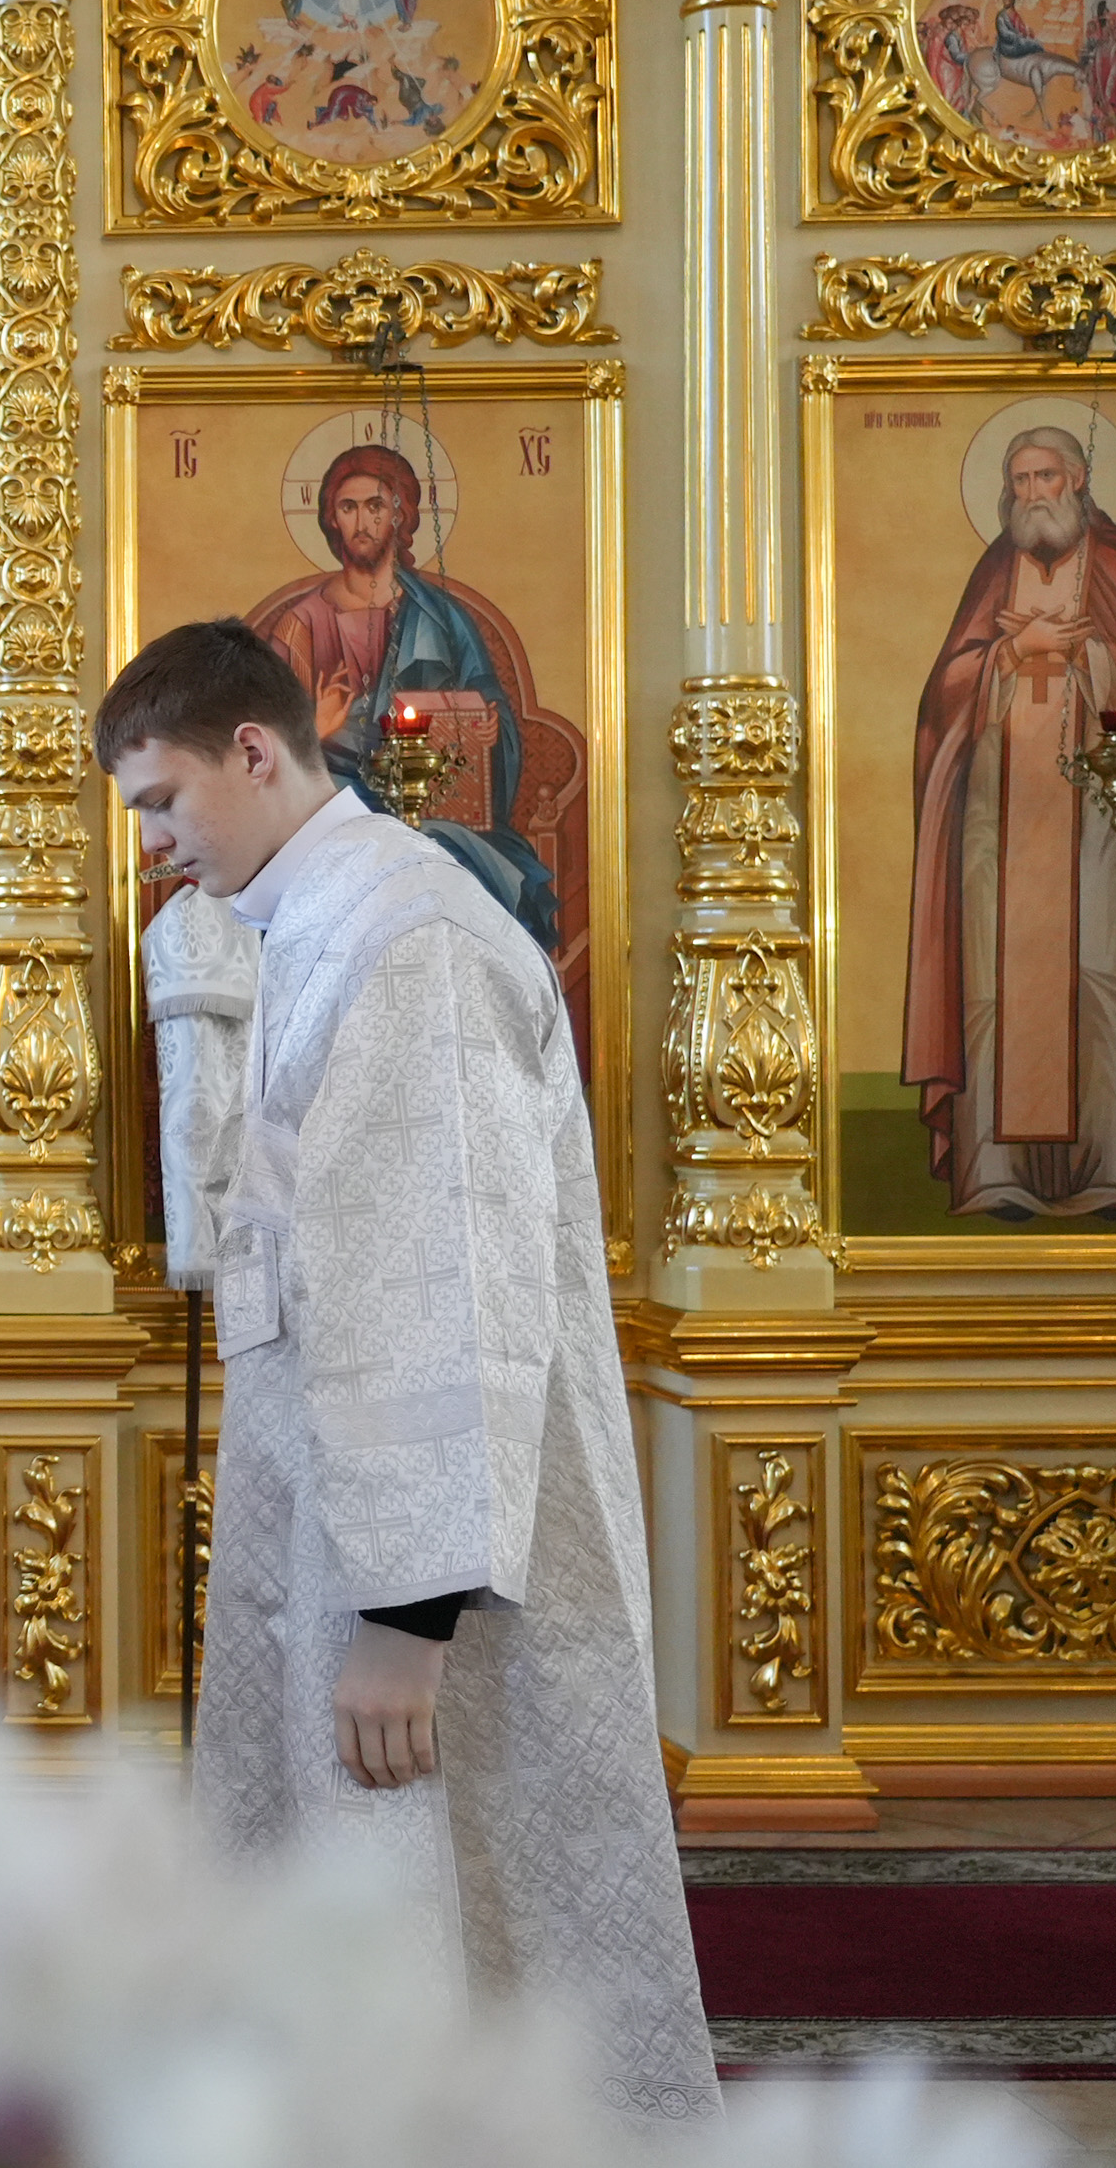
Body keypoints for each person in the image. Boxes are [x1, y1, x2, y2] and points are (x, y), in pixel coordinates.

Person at [101, 620, 714, 2125]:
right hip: (355, 1519)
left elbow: (442, 1273)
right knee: (391, 1907)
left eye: (162, 800)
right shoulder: (323, 918)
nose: (154, 843)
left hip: (430, 1567)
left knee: (456, 1905)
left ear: (255, 751)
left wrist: (406, 1614)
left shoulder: (407, 942)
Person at [905, 425, 1116, 1216]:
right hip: (994, 824)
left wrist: (1089, 660)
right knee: (991, 992)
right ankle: (995, 1173)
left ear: (1078, 481)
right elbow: (942, 697)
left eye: (1045, 477)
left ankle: (1113, 1173)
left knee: (1102, 979)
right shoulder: (992, 572)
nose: (1032, 493)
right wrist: (1008, 655)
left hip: (1101, 821)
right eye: (1020, 480)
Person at [248, 444, 559, 962]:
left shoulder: (439, 616)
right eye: (348, 507)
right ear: (331, 519)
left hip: (433, 794)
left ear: (401, 515)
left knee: (471, 856)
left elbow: (487, 706)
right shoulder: (301, 626)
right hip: (336, 799)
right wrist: (314, 732)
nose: (362, 521)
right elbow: (260, 751)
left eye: (376, 505)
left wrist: (486, 732)